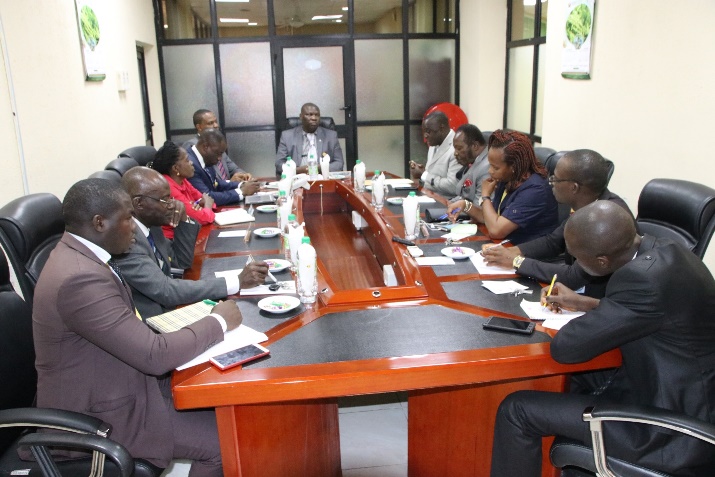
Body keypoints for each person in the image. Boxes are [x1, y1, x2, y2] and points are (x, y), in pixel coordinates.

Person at [32, 178, 244, 476]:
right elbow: (154, 356)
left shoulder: (84, 257)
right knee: (226, 441)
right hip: (100, 416)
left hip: (121, 381)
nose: (134, 226)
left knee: (227, 407)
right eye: (128, 218)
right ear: (99, 223)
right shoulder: (79, 279)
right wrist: (218, 321)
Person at [490, 201, 715, 477]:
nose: (572, 261)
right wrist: (584, 303)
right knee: (574, 381)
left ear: (602, 262)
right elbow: (654, 313)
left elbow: (566, 349)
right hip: (679, 392)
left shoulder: (639, 280)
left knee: (517, 409)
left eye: (576, 257)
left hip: (670, 430)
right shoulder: (670, 249)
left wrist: (594, 310)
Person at [115, 167, 268, 319]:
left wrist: (183, 219)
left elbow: (181, 263)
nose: (171, 204)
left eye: (171, 198)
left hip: (171, 306)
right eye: (165, 199)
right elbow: (166, 290)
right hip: (154, 324)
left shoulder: (150, 223)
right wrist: (237, 281)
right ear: (139, 203)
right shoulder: (126, 241)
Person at [482, 149, 633, 296]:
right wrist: (509, 252)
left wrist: (516, 261)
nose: (550, 183)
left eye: (555, 179)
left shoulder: (605, 218)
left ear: (574, 187)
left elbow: (574, 277)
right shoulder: (587, 204)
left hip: (599, 300)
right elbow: (553, 242)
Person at [447, 129, 558, 245]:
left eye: (496, 168)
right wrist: (466, 205)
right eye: (490, 165)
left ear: (514, 166)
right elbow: (490, 218)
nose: (490, 171)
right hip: (505, 247)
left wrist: (485, 196)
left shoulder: (535, 190)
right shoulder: (508, 179)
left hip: (528, 256)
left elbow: (496, 230)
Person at [151, 141, 215, 240]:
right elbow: (203, 218)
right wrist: (206, 206)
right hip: (174, 242)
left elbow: (208, 200)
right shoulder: (168, 188)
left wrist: (203, 206)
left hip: (191, 233)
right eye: (187, 160)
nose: (191, 162)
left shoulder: (182, 180)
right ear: (176, 168)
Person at [187, 129, 261, 206]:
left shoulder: (205, 158)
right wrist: (242, 191)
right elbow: (207, 197)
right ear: (205, 147)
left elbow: (216, 184)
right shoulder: (190, 164)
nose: (219, 158)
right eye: (218, 153)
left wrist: (242, 184)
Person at [182, 109, 252, 183]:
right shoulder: (192, 146)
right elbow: (205, 180)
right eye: (210, 123)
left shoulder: (216, 144)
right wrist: (229, 182)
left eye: (216, 122)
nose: (216, 125)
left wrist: (244, 175)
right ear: (199, 127)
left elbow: (232, 168)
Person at [275, 102, 344, 176]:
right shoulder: (287, 136)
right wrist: (297, 170)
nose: (314, 118)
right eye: (309, 115)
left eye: (317, 115)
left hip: (322, 178)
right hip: (296, 179)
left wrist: (318, 168)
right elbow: (279, 164)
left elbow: (339, 163)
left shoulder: (331, 135)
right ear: (301, 117)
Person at [409, 111, 461, 197]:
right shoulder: (434, 143)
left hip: (446, 203)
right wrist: (420, 174)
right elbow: (432, 176)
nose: (425, 136)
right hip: (429, 196)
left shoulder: (457, 147)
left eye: (428, 131)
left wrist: (423, 175)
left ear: (442, 129)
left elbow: (453, 186)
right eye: (424, 131)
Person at [450, 123, 490, 202]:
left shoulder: (487, 167)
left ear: (475, 146)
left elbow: (480, 208)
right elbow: (462, 196)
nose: (455, 153)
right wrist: (449, 204)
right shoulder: (473, 159)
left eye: (459, 148)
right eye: (455, 148)